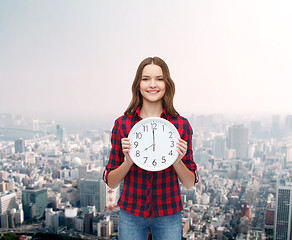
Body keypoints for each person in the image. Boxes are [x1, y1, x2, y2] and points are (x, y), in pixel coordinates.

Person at [103, 56, 199, 240]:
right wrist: (128, 162)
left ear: (167, 84)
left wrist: (177, 160)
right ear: (138, 84)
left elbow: (189, 183)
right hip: (131, 212)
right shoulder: (122, 124)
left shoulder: (181, 125)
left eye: (159, 79)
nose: (152, 84)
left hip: (168, 212)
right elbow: (111, 181)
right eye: (146, 79)